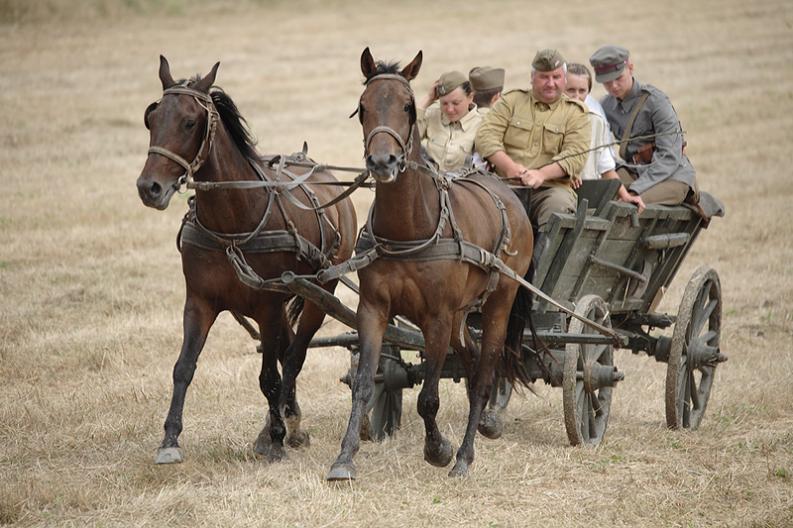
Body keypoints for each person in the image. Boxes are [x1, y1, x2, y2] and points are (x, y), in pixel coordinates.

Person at [475, 48, 590, 262]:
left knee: (558, 210)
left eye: (556, 77)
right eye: (544, 77)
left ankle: (540, 277)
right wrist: (509, 167)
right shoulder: (511, 102)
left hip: (550, 189)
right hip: (504, 185)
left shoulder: (575, 113)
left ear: (564, 79)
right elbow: (485, 136)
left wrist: (541, 174)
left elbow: (576, 154)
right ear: (532, 78)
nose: (550, 83)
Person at [589, 45, 697, 205]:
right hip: (635, 172)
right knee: (595, 195)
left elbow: (669, 157)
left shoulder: (656, 102)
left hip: (672, 176)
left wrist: (634, 190)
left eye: (618, 78)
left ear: (630, 68)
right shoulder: (605, 106)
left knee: (626, 205)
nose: (613, 86)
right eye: (606, 82)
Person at [565, 63, 645, 213]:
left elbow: (606, 167)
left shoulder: (596, 121)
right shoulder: (550, 117)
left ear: (588, 93)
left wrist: (625, 195)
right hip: (558, 190)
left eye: (582, 91)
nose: (576, 96)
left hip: (585, 195)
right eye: (570, 90)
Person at [416, 70, 483, 173]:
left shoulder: (482, 125)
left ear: (470, 97)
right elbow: (408, 137)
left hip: (463, 187)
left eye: (456, 103)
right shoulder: (432, 116)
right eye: (444, 104)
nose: (449, 109)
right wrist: (428, 99)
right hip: (430, 185)